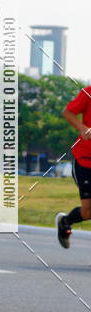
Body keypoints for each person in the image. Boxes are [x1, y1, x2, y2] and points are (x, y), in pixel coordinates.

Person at [56, 86, 91, 248]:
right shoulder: (88, 92)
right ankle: (65, 222)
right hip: (84, 160)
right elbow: (67, 112)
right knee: (88, 211)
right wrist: (82, 128)